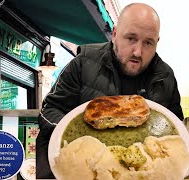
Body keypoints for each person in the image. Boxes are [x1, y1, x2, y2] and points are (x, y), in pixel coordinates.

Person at [36, 3, 184, 179]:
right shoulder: (83, 63)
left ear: (157, 42)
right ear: (114, 34)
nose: (138, 51)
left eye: (148, 43)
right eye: (131, 38)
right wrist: (78, 140)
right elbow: (50, 110)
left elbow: (177, 131)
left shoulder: (165, 77)